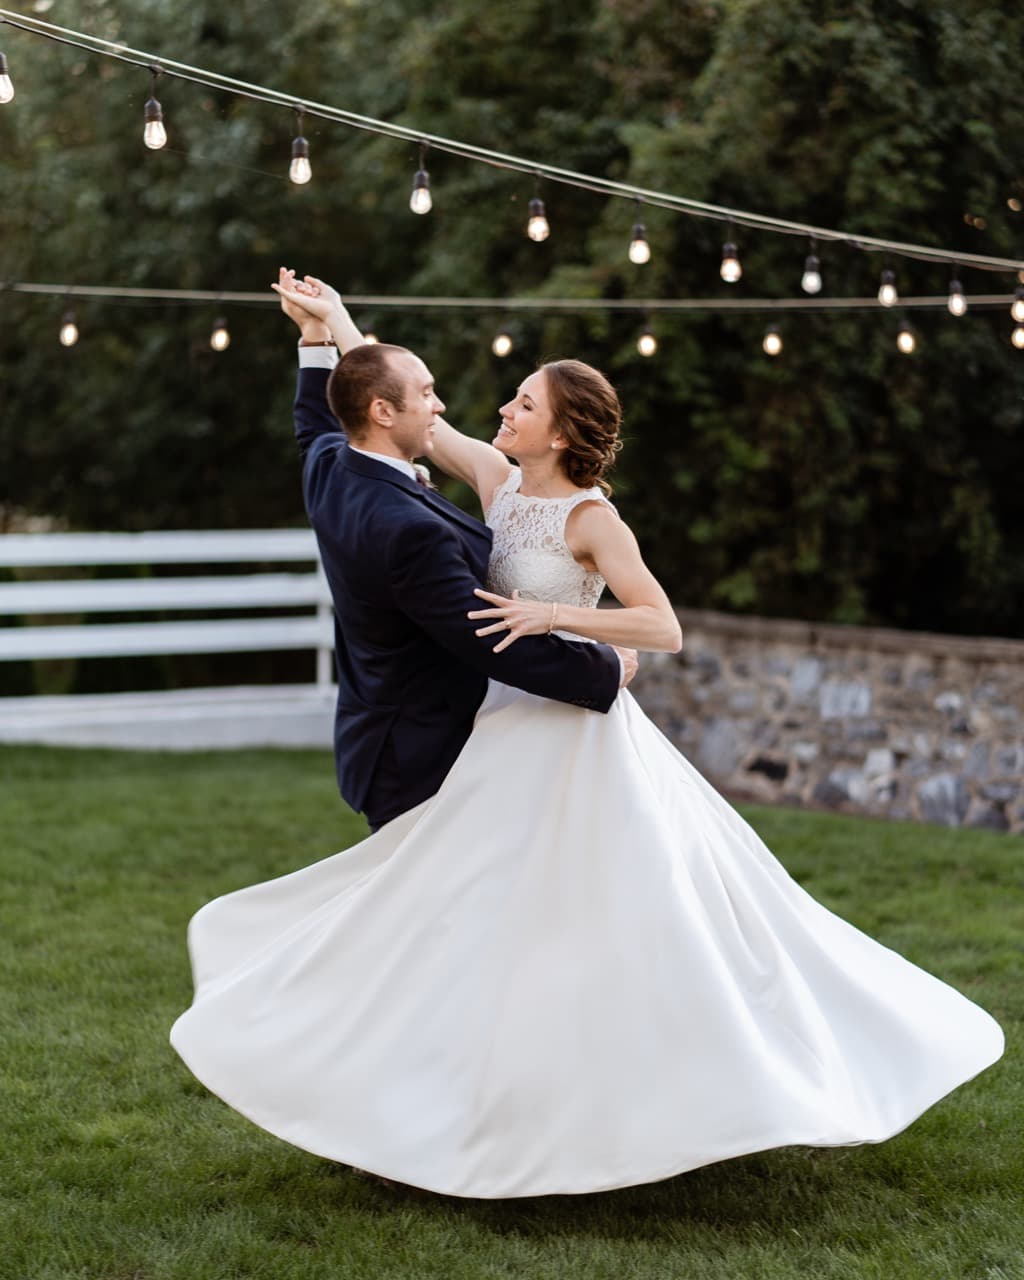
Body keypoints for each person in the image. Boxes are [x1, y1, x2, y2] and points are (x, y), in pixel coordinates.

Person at [169, 275, 1003, 1200]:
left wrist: (573, 629)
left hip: (579, 732)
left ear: (560, 432)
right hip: (502, 733)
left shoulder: (591, 517)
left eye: (522, 402)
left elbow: (664, 626)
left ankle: (670, 1091)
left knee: (619, 918)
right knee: (495, 920)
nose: (499, 408)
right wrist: (335, 330)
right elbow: (394, 419)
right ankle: (496, 1099)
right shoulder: (492, 478)